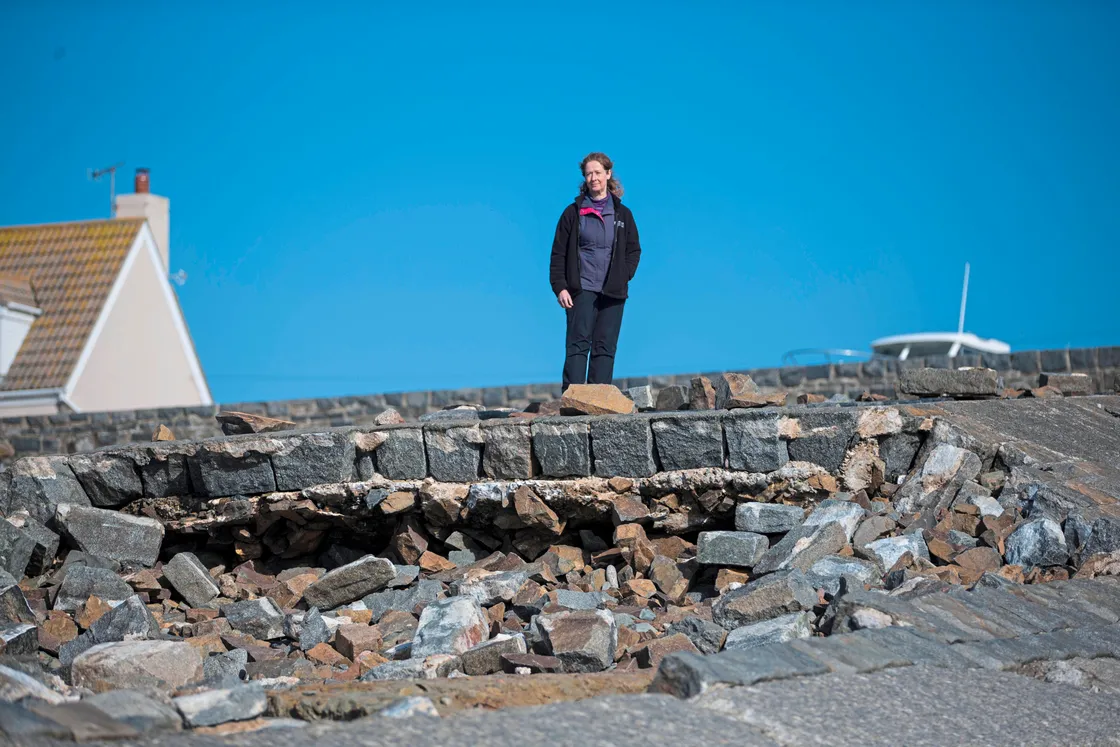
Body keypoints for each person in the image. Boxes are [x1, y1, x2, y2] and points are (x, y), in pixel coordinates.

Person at [549, 152, 642, 390]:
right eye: (589, 174)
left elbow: (634, 250)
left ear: (608, 174)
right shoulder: (572, 213)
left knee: (605, 346)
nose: (594, 178)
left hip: (613, 291)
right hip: (581, 289)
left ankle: (598, 400)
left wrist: (624, 275)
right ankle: (573, 398)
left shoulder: (623, 214)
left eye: (598, 172)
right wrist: (560, 287)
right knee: (578, 344)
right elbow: (558, 253)